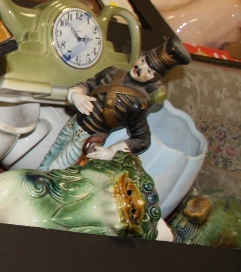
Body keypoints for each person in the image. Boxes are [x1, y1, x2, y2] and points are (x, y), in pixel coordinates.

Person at [39, 36, 191, 171]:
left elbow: (142, 139)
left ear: (155, 78)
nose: (140, 68)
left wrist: (113, 151)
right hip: (74, 123)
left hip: (88, 136)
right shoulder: (112, 72)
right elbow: (88, 84)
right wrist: (76, 94)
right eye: (143, 61)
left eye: (149, 72)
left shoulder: (137, 104)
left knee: (56, 169)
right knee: (50, 156)